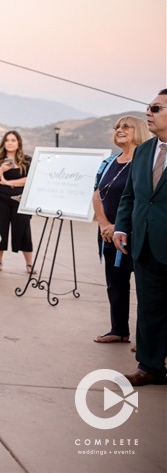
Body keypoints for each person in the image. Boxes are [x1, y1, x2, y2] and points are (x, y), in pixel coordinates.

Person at [113, 90, 167, 387]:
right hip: (144, 244)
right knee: (148, 308)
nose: (149, 112)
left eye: (156, 108)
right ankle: (149, 367)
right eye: (148, 107)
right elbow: (130, 195)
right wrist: (122, 227)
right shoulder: (145, 150)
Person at [92, 117, 150, 344]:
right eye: (117, 127)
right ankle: (119, 330)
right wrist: (104, 224)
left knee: (146, 289)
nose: (119, 130)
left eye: (126, 126)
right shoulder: (108, 162)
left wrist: (122, 226)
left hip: (137, 234)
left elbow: (146, 199)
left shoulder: (146, 162)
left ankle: (147, 341)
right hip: (107, 233)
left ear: (140, 130)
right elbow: (97, 194)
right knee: (115, 283)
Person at [0, 131, 34, 273]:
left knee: (24, 231)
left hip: (20, 202)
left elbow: (30, 180)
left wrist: (7, 182)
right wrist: (2, 169)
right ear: (3, 143)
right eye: (7, 140)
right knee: (0, 231)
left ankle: (29, 264)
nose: (10, 142)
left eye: (13, 140)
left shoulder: (27, 161)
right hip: (0, 202)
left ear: (18, 142)